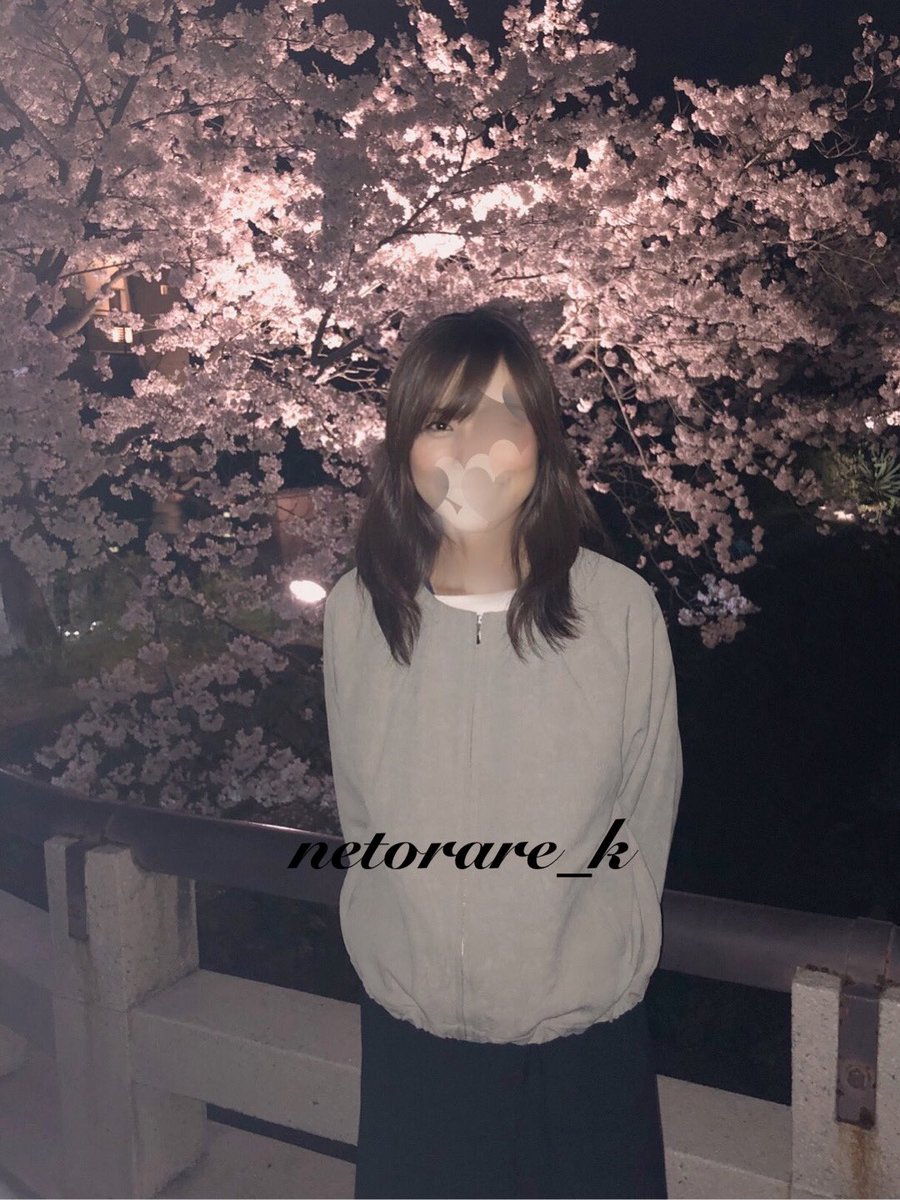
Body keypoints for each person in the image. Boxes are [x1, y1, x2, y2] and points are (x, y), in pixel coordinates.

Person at [322, 303, 683, 1199]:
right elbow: (359, 808)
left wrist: (597, 943)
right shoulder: (358, 612)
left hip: (584, 1048)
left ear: (542, 440)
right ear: (405, 447)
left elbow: (645, 812)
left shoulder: (619, 612)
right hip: (412, 1043)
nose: (473, 447)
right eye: (442, 420)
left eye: (502, 415)